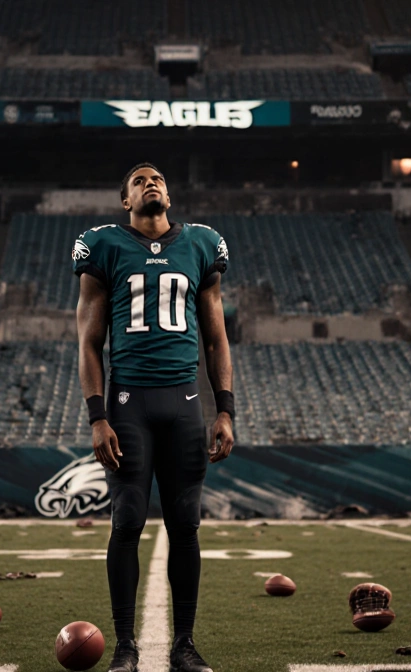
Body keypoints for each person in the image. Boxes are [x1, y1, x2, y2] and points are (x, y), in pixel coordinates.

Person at [73, 163, 235, 672]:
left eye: (158, 178)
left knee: (185, 524)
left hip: (184, 401)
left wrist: (225, 410)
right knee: (126, 522)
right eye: (140, 180)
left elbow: (216, 337)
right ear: (125, 199)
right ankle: (125, 644)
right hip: (128, 405)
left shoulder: (202, 243)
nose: (152, 182)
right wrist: (98, 416)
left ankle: (184, 644)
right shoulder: (103, 245)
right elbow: (89, 341)